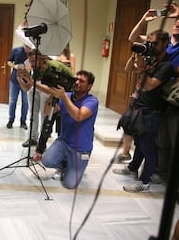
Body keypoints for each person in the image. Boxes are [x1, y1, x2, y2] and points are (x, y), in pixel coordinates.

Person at [112, 29, 173, 193]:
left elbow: (150, 85)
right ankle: (132, 167)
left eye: (155, 43)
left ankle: (144, 182)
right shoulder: (151, 61)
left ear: (165, 44)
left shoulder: (166, 66)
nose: (151, 46)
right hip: (139, 108)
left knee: (148, 148)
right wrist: (136, 56)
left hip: (150, 112)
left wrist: (142, 69)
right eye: (150, 43)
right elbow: (128, 68)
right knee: (138, 144)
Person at [38, 70, 99, 189]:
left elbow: (78, 116)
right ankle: (65, 165)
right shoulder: (67, 96)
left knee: (70, 184)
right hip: (64, 142)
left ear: (89, 87)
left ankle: (74, 166)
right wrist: (53, 94)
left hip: (81, 148)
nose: (77, 82)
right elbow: (46, 111)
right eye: (76, 79)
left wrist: (64, 97)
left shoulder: (92, 101)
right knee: (46, 160)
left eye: (82, 81)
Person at [16, 50, 50, 147]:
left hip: (45, 89)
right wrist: (20, 78)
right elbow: (27, 88)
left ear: (41, 59)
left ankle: (42, 141)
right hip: (34, 87)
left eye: (33, 61)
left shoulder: (49, 67)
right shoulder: (34, 68)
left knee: (44, 115)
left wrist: (31, 81)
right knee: (33, 113)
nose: (31, 64)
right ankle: (32, 137)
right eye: (30, 61)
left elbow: (48, 89)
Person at [6, 44, 31, 129]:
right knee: (13, 101)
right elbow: (9, 61)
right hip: (15, 80)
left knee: (26, 102)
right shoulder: (16, 50)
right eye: (26, 47)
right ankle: (11, 120)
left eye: (29, 47)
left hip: (26, 81)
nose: (27, 49)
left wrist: (30, 68)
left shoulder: (33, 52)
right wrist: (14, 66)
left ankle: (23, 121)